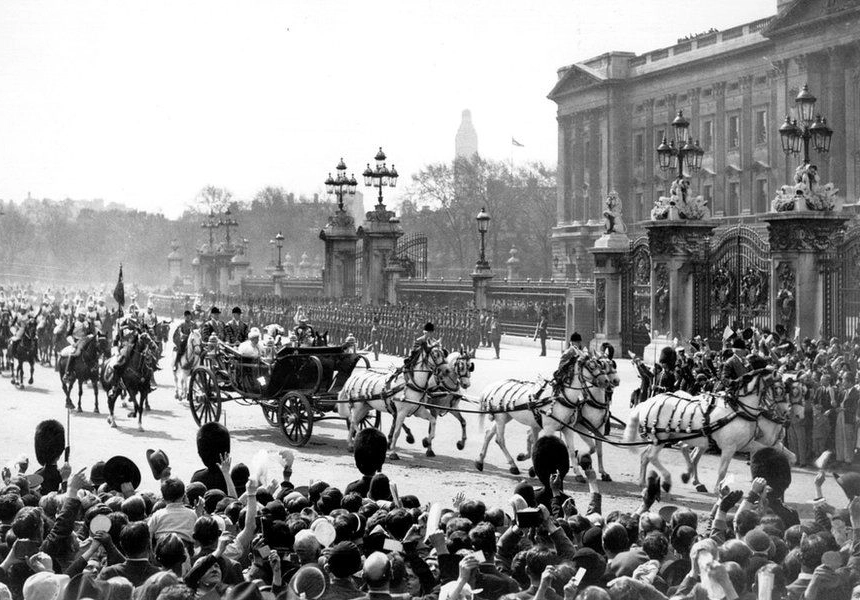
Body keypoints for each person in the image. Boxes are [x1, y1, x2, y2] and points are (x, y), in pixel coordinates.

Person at [63, 308, 96, 385]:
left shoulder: (88, 323)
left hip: (85, 342)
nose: (83, 317)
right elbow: (68, 334)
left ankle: (93, 372)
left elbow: (92, 333)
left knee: (92, 353)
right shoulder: (74, 323)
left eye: (84, 315)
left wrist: (88, 336)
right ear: (79, 315)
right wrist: (72, 342)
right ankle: (67, 373)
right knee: (72, 353)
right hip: (75, 342)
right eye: (82, 315)